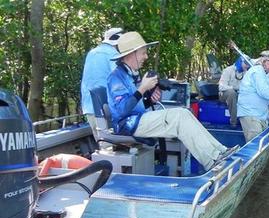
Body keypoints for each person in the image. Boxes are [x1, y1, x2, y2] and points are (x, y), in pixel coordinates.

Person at [107, 31, 237, 171]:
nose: (146, 56)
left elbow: (135, 103)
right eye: (143, 53)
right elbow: (122, 110)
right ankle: (212, 161)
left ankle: (220, 151)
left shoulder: (131, 74)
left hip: (137, 119)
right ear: (131, 54)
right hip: (127, 125)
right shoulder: (116, 77)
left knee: (184, 112)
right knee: (179, 117)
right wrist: (143, 88)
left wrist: (149, 99)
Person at [80, 27, 123, 136]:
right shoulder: (113, 55)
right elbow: (119, 81)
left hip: (89, 108)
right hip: (106, 109)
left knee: (101, 145)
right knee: (112, 148)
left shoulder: (91, 53)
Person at [237, 51, 269, 141]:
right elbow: (265, 92)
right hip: (251, 115)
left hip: (259, 115)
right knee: (255, 143)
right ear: (264, 60)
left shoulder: (264, 74)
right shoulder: (257, 71)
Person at [218, 56, 250, 126]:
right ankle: (233, 122)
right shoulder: (228, 70)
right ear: (240, 62)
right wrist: (234, 88)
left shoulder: (246, 73)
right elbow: (221, 86)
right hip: (224, 94)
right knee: (232, 93)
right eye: (246, 64)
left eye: (248, 64)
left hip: (238, 94)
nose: (247, 66)